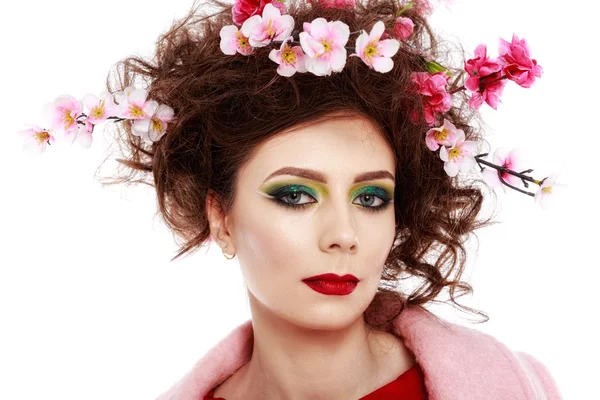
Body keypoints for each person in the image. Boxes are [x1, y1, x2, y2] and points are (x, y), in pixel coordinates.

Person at [17, 0, 564, 398]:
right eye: (297, 195)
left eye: (372, 197)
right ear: (221, 217)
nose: (343, 235)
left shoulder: (517, 387)